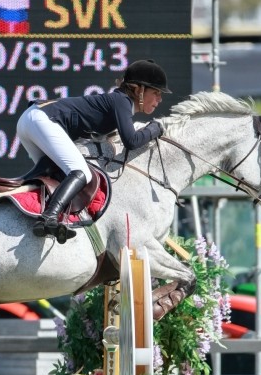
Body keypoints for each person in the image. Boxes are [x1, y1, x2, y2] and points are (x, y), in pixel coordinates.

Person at [17, 58, 171, 243]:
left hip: (31, 119)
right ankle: (48, 217)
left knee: (52, 175)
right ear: (139, 90)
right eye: (156, 93)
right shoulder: (121, 100)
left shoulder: (118, 103)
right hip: (42, 119)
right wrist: (156, 128)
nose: (160, 99)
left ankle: (22, 201)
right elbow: (131, 141)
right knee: (81, 172)